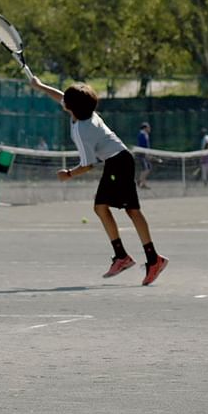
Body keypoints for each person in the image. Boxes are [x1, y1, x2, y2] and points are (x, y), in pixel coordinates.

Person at [35, 80, 167, 282]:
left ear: (70, 107)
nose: (62, 101)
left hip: (118, 163)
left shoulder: (81, 130)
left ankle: (131, 257)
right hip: (121, 159)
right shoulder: (86, 112)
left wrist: (68, 174)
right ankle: (145, 258)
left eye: (66, 101)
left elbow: (88, 165)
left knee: (107, 208)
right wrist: (40, 86)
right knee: (122, 209)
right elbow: (60, 96)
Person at [134, 117, 152, 189]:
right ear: (145, 128)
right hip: (141, 155)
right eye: (148, 127)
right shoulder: (142, 135)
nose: (149, 129)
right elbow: (142, 146)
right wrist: (146, 154)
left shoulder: (145, 135)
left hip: (144, 154)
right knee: (146, 168)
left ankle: (141, 181)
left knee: (147, 168)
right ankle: (141, 182)